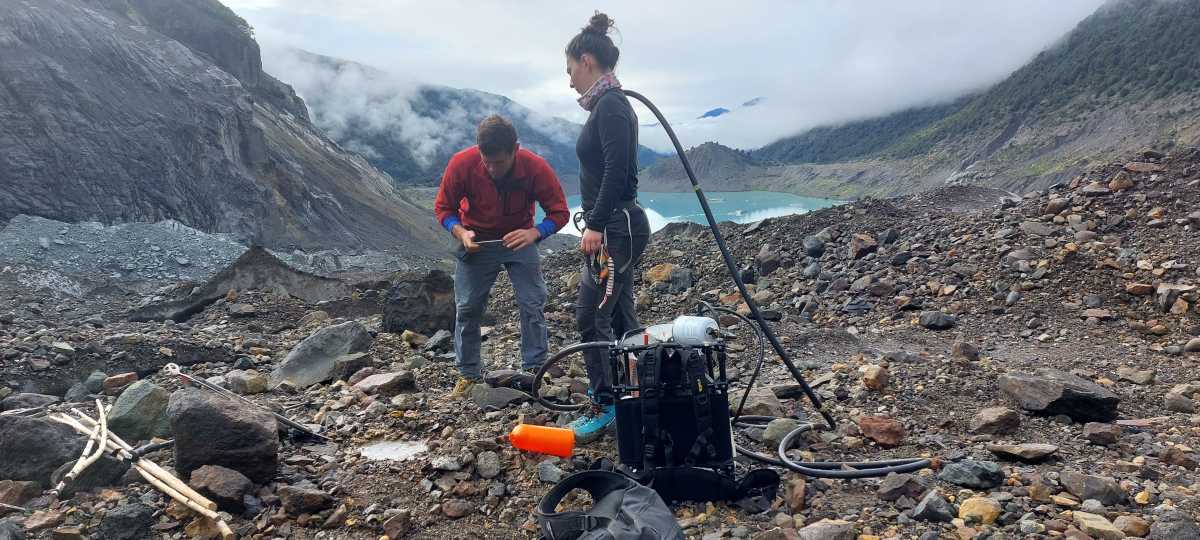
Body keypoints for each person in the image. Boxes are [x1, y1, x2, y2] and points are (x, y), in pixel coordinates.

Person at [434, 115, 570, 397]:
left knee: (532, 302)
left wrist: (535, 233)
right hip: (476, 241)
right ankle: (468, 373)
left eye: (500, 162)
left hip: (520, 240)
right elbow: (444, 208)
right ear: (479, 151)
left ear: (515, 150)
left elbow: (560, 212)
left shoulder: (535, 167)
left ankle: (535, 369)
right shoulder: (462, 163)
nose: (493, 169)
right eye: (487, 162)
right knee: (468, 307)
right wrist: (459, 232)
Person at [565, 12, 652, 442]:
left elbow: (618, 170)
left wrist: (595, 223)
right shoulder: (609, 104)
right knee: (619, 312)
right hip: (619, 226)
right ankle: (636, 394)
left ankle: (606, 405)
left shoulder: (612, 106)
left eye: (570, 71)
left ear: (586, 61)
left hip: (614, 228)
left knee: (591, 315)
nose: (569, 82)